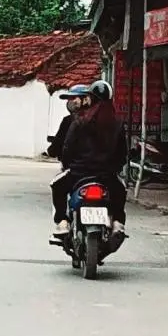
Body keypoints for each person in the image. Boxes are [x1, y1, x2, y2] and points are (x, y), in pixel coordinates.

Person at [50, 79, 127, 233]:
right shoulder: (117, 123)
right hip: (107, 176)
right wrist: (114, 169)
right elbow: (122, 154)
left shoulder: (79, 121)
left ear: (89, 99)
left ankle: (63, 221)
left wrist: (69, 165)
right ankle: (118, 222)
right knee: (120, 190)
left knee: (57, 186)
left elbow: (67, 148)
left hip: (79, 174)